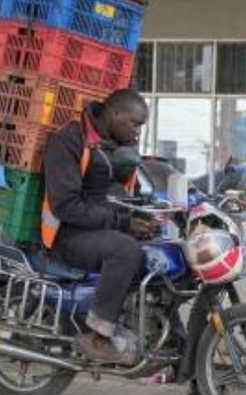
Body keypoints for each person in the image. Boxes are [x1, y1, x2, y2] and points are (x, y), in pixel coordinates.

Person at [41, 89, 158, 365]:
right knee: (125, 250)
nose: (138, 132)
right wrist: (123, 223)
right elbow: (66, 206)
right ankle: (99, 335)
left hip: (104, 229)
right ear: (115, 114)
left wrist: (149, 214)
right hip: (68, 235)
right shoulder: (69, 140)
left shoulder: (116, 144)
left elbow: (128, 192)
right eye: (135, 124)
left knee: (162, 259)